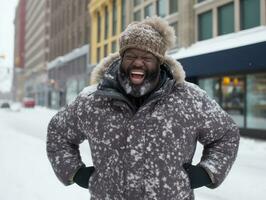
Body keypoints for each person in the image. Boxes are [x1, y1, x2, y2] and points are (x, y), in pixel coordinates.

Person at [46, 16, 240, 200]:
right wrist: (74, 172)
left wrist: (207, 172)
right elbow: (58, 133)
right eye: (130, 55)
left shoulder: (189, 98)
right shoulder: (92, 100)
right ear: (121, 59)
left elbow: (226, 135)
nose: (138, 62)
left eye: (147, 57)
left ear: (159, 62)